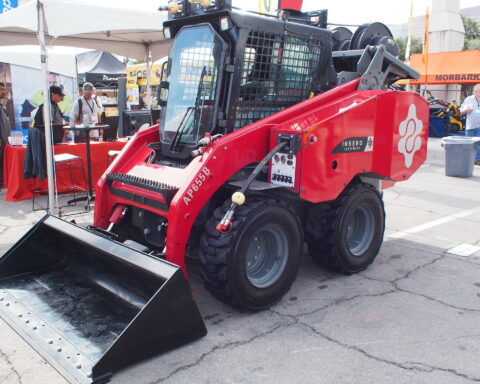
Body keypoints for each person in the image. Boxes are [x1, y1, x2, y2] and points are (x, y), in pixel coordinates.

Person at [460, 84, 480, 165]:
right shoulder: (469, 99)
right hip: (470, 126)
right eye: (476, 91)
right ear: (474, 91)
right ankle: (468, 158)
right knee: (469, 144)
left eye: (479, 91)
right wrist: (466, 110)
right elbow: (461, 110)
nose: (478, 93)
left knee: (479, 144)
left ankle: (478, 159)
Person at [0, 82, 11, 188]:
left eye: (5, 89)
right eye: (2, 89)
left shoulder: (2, 105)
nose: (4, 91)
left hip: (4, 140)